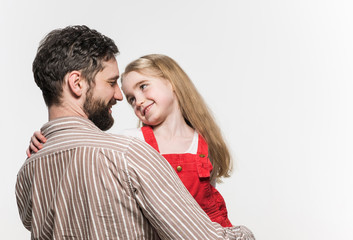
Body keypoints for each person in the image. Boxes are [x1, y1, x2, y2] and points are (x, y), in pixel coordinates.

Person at [17, 25, 255, 239]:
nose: (120, 96)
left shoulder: (29, 169)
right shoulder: (129, 154)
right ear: (77, 83)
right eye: (112, 83)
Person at [29, 54, 233, 227]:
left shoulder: (204, 145)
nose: (139, 101)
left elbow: (209, 206)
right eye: (131, 99)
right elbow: (85, 151)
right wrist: (49, 140)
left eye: (143, 87)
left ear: (172, 82)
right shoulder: (131, 141)